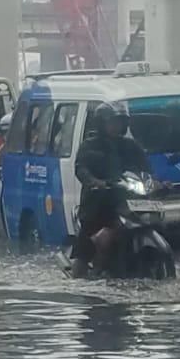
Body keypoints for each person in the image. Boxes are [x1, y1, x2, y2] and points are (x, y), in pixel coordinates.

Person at [70, 101, 150, 277]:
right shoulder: (89, 146)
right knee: (84, 248)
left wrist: (158, 183)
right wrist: (94, 182)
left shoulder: (131, 146)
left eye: (120, 122)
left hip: (126, 203)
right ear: (101, 123)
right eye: (112, 122)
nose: (116, 126)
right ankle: (77, 278)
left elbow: (146, 170)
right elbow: (81, 169)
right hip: (97, 204)